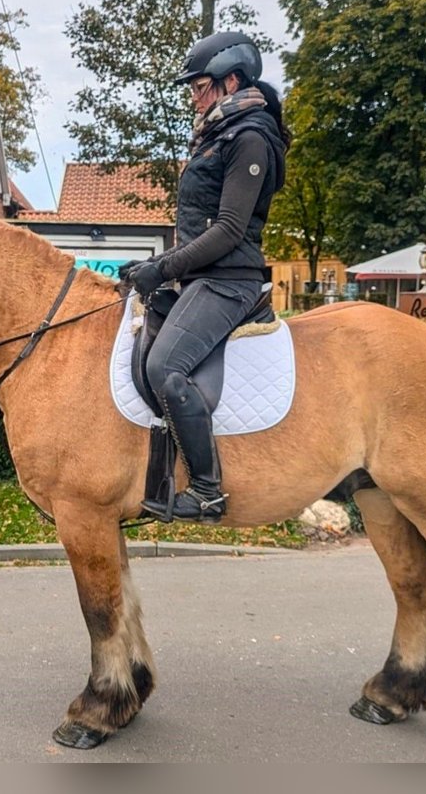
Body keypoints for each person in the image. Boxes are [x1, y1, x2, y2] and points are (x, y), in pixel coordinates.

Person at [119, 31, 291, 523]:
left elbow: (230, 229)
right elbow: (196, 223)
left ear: (229, 81)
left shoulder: (251, 137)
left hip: (229, 281)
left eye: (198, 86)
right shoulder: (216, 134)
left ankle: (209, 490)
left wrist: (165, 266)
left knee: (164, 367)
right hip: (200, 277)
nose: (193, 97)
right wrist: (157, 265)